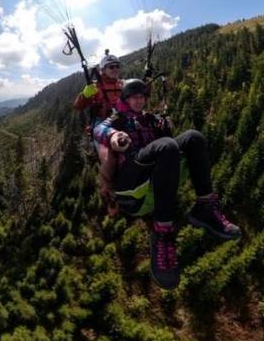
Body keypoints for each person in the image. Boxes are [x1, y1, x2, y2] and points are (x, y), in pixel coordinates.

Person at [93, 79, 241, 290]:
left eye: (142, 97)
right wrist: (114, 135)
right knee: (167, 146)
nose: (139, 101)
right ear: (125, 99)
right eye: (134, 97)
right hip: (130, 177)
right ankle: (162, 232)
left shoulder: (150, 119)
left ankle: (205, 206)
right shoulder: (118, 118)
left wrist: (164, 127)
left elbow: (166, 143)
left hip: (151, 171)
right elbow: (98, 130)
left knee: (193, 137)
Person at [73, 52, 123, 125]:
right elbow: (78, 106)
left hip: (120, 118)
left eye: (117, 66)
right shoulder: (95, 86)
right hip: (102, 122)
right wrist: (84, 95)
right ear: (103, 70)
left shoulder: (122, 84)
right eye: (111, 67)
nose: (115, 69)